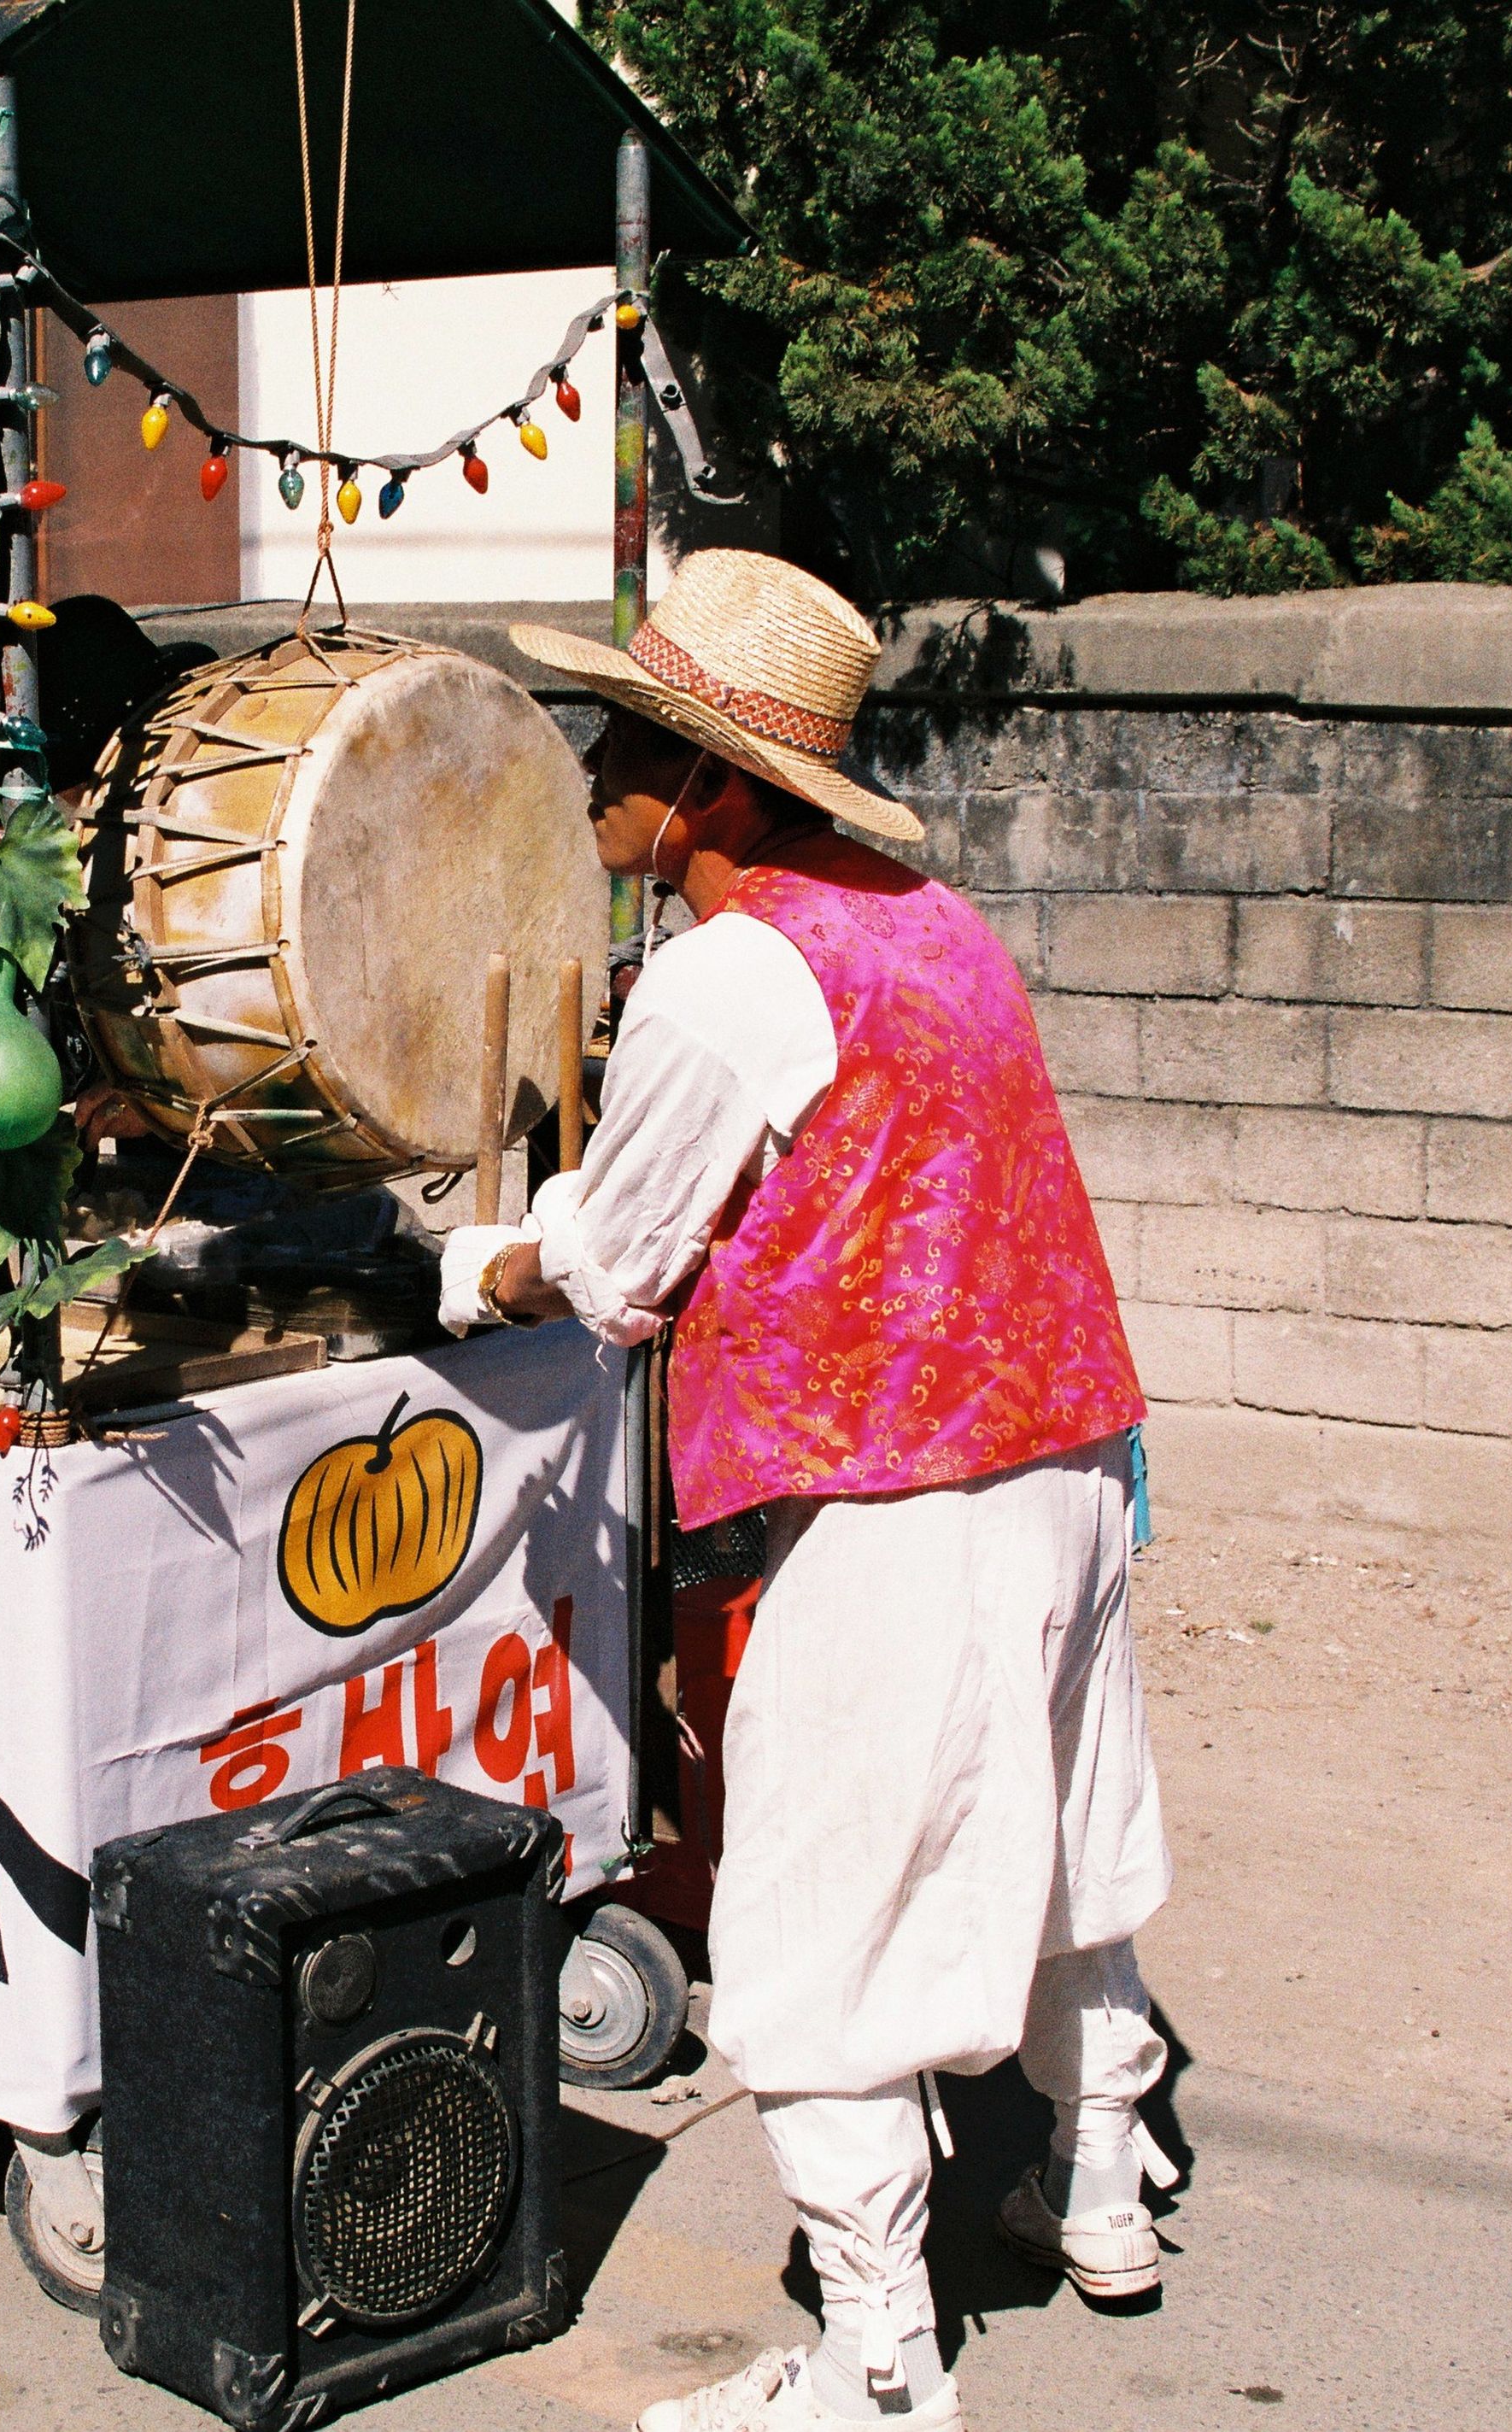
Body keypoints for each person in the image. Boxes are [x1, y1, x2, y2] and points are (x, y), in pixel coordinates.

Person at [440, 554, 1169, 2432]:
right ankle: (1096, 2190)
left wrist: (465, 1268)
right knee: (1068, 1843)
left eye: (631, 741)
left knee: (804, 1923)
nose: (598, 770)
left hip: (909, 1491)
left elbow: (615, 1265)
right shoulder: (933, 919)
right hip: (1073, 1451)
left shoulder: (723, 973)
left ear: (722, 790)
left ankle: (876, 2361)